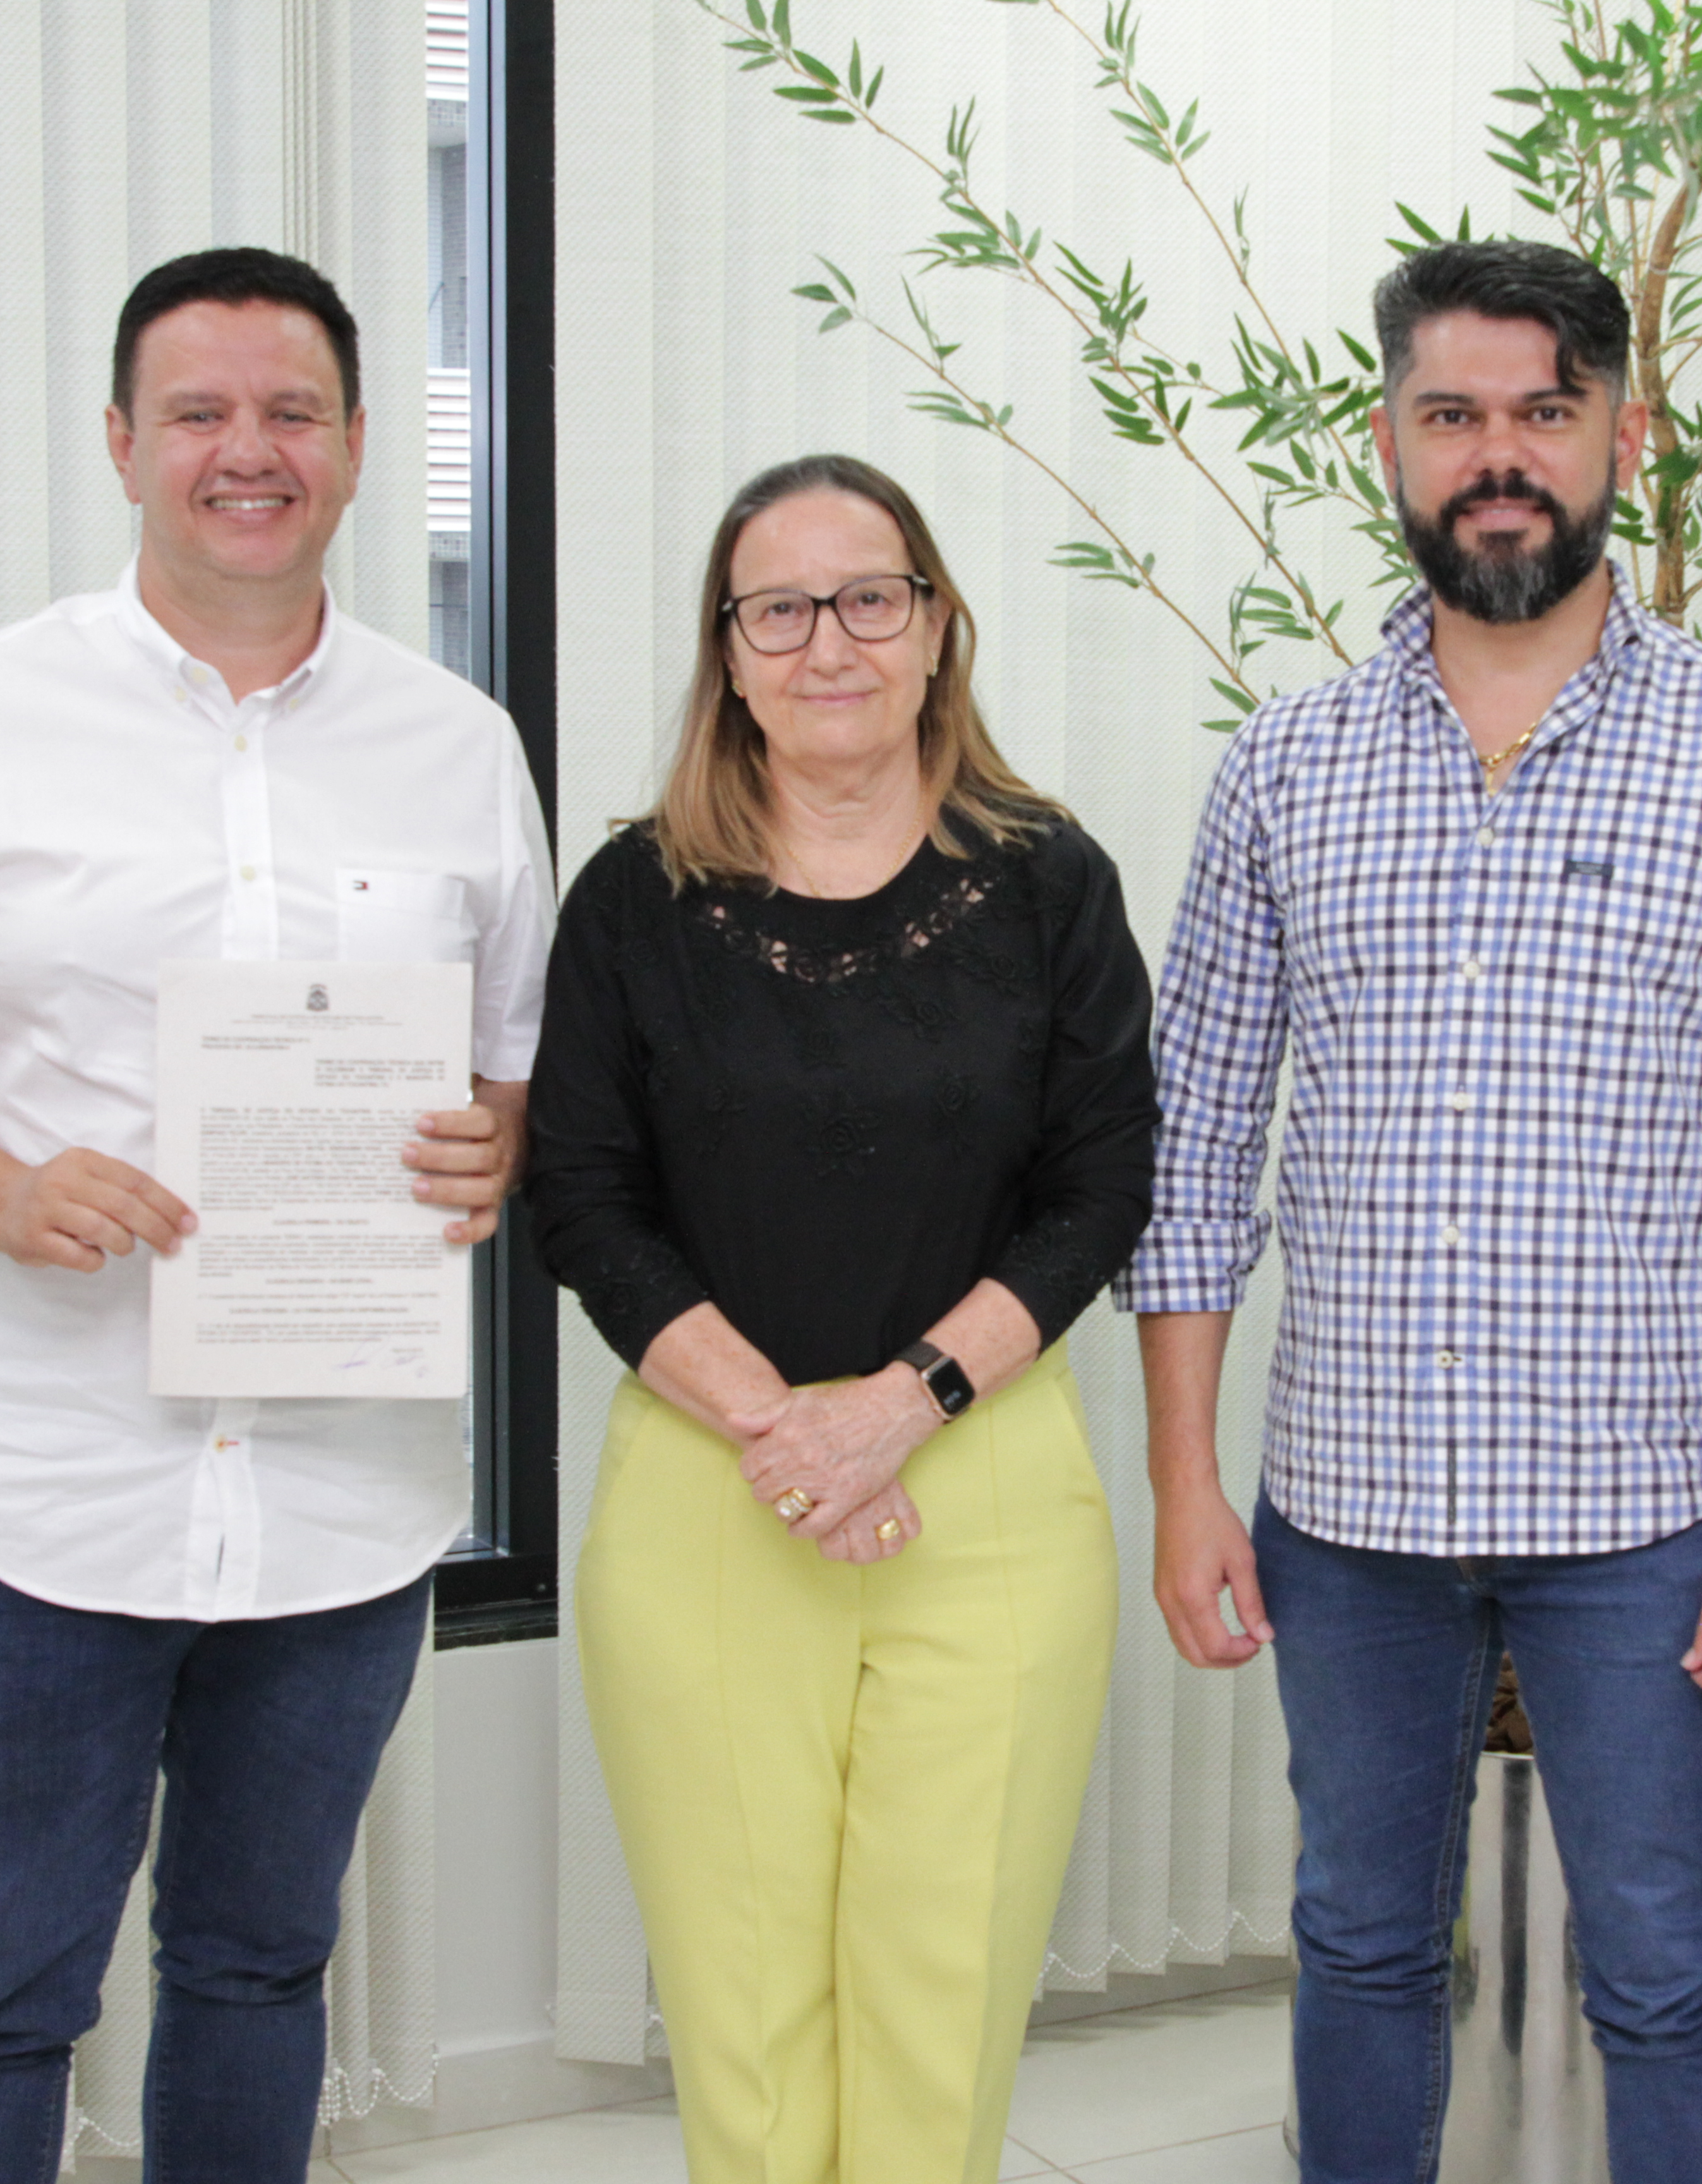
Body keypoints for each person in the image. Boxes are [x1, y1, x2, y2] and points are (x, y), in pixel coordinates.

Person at [0, 247, 552, 2181]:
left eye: (291, 413)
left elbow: (506, 1066)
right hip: (47, 1497)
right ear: (124, 443)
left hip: (342, 1506)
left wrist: (488, 1153)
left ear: (358, 447)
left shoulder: (460, 746)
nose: (245, 450)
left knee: (263, 1971)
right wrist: (0, 1188)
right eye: (199, 412)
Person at [1121, 240, 1702, 2184]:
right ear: (1389, 443)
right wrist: (1188, 1483)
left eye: (1545, 411)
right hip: (1348, 1512)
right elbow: (1191, 1153)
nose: (1500, 456)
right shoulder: (1284, 769)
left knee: (1666, 1971)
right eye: (1453, 416)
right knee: (1360, 1947)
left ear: (1629, 431)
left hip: (1643, 1518)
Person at [527, 452, 1157, 2184]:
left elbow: (1101, 1189)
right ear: (727, 653)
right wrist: (783, 1426)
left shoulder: (1050, 888)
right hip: (703, 1495)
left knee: (938, 2001)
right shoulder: (633, 903)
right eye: (779, 608)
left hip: (991, 1485)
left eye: (871, 597)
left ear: (939, 625)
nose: (830, 643)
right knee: (743, 2016)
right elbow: (581, 1201)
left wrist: (896, 1407)